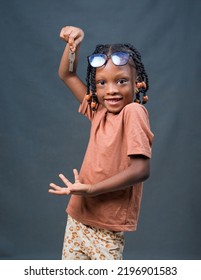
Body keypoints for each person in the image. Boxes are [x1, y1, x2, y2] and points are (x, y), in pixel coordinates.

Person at [49, 26, 154, 260]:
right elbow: (67, 74)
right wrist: (73, 44)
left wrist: (91, 190)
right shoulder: (99, 111)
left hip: (106, 226)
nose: (111, 90)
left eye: (121, 81)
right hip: (77, 217)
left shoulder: (134, 112)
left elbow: (141, 169)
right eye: (102, 83)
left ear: (137, 83)